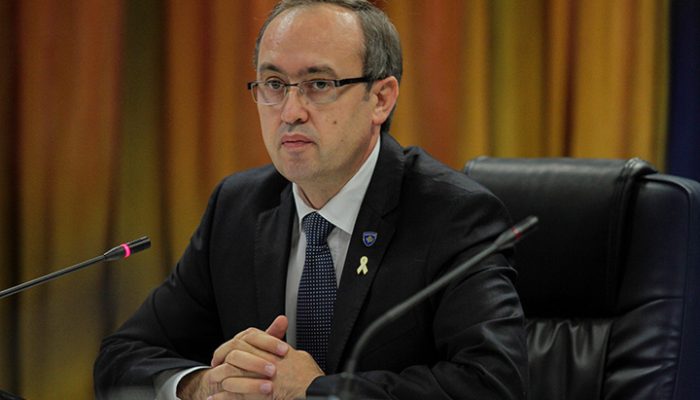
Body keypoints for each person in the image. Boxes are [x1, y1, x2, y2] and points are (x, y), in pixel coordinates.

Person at [94, 1, 528, 399]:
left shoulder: (454, 216)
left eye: (319, 84)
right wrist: (203, 384)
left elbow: (494, 384)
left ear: (380, 99)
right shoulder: (237, 208)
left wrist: (317, 392)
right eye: (274, 84)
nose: (290, 111)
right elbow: (123, 356)